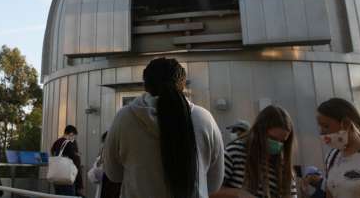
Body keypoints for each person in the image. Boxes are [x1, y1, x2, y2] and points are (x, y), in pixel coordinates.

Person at [103, 57, 224, 198]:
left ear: (146, 85)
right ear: (182, 84)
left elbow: (113, 174)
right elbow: (214, 183)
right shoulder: (204, 119)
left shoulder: (124, 118)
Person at [214, 105, 297, 198]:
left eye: (282, 141)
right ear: (259, 132)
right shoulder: (234, 153)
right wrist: (238, 194)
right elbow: (209, 190)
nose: (277, 144)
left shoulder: (284, 167)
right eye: (272, 138)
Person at [50, 125, 84, 196]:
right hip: (67, 178)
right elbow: (76, 163)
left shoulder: (57, 142)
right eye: (74, 136)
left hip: (56, 177)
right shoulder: (70, 143)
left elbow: (53, 154)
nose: (74, 138)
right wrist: (80, 184)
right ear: (71, 134)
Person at [87, 132, 121, 198]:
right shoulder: (102, 157)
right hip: (104, 192)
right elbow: (93, 178)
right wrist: (99, 163)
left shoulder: (122, 157)